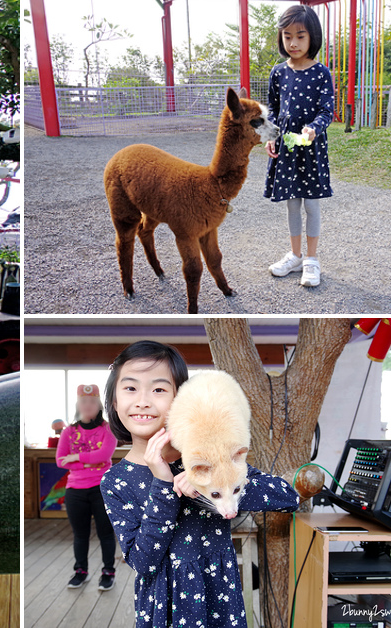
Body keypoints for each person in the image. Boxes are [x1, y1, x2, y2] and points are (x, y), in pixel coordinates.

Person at [99, 341, 299, 628]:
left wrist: (220, 488)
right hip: (164, 606)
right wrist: (164, 485)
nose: (143, 400)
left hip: (219, 596)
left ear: (180, 399)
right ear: (115, 401)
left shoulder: (211, 457)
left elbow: (287, 496)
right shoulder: (116, 480)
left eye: (158, 389)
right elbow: (143, 563)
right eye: (130, 388)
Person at [264, 5, 333, 287]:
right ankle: (295, 256)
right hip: (287, 148)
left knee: (312, 206)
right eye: (287, 36)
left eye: (300, 36)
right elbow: (272, 108)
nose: (293, 42)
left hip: (311, 147)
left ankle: (312, 261)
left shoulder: (321, 73)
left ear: (312, 37)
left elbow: (327, 110)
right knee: (292, 205)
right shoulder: (278, 72)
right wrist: (270, 136)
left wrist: (314, 128)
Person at [56, 384, 118, 591]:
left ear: (99, 404)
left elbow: (104, 456)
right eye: (84, 401)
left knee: (105, 533)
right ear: (78, 404)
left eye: (92, 401)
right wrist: (88, 462)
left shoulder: (107, 429)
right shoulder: (68, 432)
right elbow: (60, 461)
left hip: (101, 487)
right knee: (80, 534)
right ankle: (81, 571)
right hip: (75, 490)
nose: (88, 405)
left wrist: (75, 457)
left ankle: (108, 572)